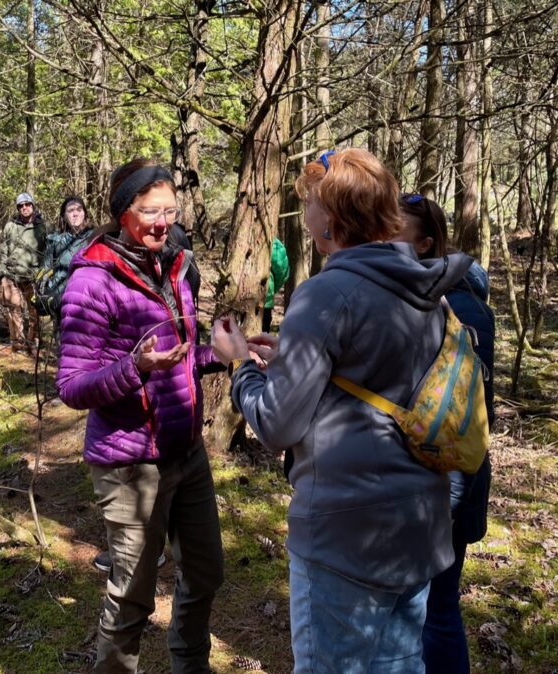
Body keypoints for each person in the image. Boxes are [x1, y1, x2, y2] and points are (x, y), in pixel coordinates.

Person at [211, 147, 473, 673]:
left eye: (308, 201)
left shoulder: (324, 294)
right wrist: (293, 356)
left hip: (345, 537)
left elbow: (277, 426)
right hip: (419, 526)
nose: (303, 210)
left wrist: (241, 366)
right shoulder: (428, 291)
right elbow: (382, 371)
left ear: (329, 218)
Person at [56, 159, 224, 674]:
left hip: (186, 450)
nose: (162, 222)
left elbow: (182, 357)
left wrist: (220, 352)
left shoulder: (174, 265)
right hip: (129, 464)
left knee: (206, 572)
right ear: (122, 212)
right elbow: (71, 386)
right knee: (133, 598)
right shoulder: (92, 280)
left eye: (170, 211)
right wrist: (133, 367)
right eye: (151, 211)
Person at [396, 193, 495, 674]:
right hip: (466, 469)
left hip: (439, 472)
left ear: (427, 243)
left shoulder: (432, 306)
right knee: (440, 604)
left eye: (397, 237)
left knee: (429, 608)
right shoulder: (474, 300)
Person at [0, 192, 45, 354]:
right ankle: (17, 344)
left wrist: (45, 275)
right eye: (21, 205)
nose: (24, 208)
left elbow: (48, 252)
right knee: (14, 310)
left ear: (33, 205)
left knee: (35, 311)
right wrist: (2, 276)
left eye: (27, 204)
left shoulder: (43, 226)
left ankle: (33, 341)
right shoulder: (10, 226)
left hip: (34, 277)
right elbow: (3, 251)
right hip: (12, 276)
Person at [36, 196, 93, 326]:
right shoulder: (55, 240)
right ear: (64, 216)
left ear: (85, 213)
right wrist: (46, 295)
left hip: (89, 303)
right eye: (70, 210)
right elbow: (45, 270)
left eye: (79, 209)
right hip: (61, 302)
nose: (75, 213)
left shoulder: (94, 238)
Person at [262, 238, 289, 333]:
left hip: (265, 301)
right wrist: (272, 288)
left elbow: (281, 268)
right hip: (265, 301)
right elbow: (282, 272)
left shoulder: (274, 244)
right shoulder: (273, 243)